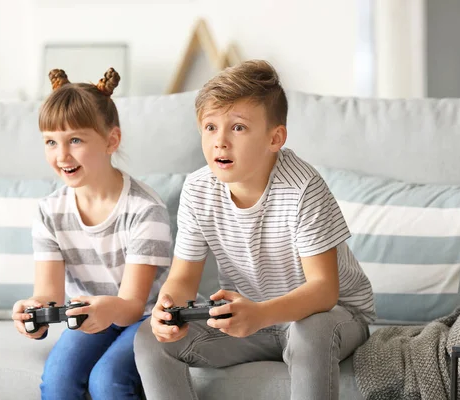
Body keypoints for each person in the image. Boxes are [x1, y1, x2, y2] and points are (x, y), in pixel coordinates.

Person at [135, 60, 376, 400]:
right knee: (149, 338)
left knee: (311, 334)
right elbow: (183, 279)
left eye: (238, 128)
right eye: (210, 127)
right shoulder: (197, 189)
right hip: (250, 319)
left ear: (275, 138)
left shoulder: (303, 188)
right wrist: (167, 307)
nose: (220, 141)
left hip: (329, 316)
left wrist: (261, 313)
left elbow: (324, 291)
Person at [11, 68, 173, 400]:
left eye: (76, 140)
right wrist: (33, 310)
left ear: (111, 140)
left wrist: (101, 310)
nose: (62, 156)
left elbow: (130, 305)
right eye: (51, 142)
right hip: (86, 315)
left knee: (108, 380)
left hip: (143, 317)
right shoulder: (49, 212)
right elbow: (48, 294)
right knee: (57, 381)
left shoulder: (145, 210)